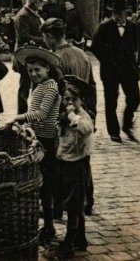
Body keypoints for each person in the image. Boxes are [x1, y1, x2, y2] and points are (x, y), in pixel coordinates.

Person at [5, 46, 63, 247]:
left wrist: (18, 118)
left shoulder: (51, 87)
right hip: (37, 139)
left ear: (47, 69)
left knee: (46, 185)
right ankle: (44, 224)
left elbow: (42, 114)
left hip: (47, 142)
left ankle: (49, 226)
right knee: (38, 183)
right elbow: (34, 115)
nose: (34, 74)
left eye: (38, 69)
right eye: (30, 70)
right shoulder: (39, 87)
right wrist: (25, 128)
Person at [41, 17, 97, 215]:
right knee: (83, 160)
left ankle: (59, 206)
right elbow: (92, 87)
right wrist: (91, 116)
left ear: (50, 37)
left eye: (44, 37)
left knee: (61, 162)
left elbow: (56, 94)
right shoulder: (82, 54)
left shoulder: (55, 58)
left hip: (65, 116)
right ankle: (87, 202)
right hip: (83, 113)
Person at [90, 0, 140, 143]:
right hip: (110, 70)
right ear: (112, 13)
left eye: (121, 12)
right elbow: (94, 47)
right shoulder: (104, 27)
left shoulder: (133, 27)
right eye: (115, 13)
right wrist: (107, 60)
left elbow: (135, 46)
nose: (118, 16)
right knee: (111, 101)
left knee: (134, 99)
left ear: (126, 12)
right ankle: (114, 131)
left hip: (128, 70)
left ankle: (127, 125)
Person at [54, 78, 95, 259]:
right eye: (66, 99)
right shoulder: (64, 118)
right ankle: (80, 238)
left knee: (74, 205)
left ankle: (69, 243)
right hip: (65, 163)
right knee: (74, 204)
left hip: (77, 165)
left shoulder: (83, 117)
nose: (69, 103)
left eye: (73, 99)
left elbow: (85, 129)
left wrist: (71, 115)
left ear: (81, 100)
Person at [13, 0, 46, 114]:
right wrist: (43, 40)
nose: (42, 4)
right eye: (40, 2)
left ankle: (34, 113)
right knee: (25, 87)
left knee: (35, 85)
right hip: (25, 56)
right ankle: (22, 115)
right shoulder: (23, 15)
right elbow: (23, 36)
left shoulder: (32, 13)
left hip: (32, 54)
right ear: (35, 2)